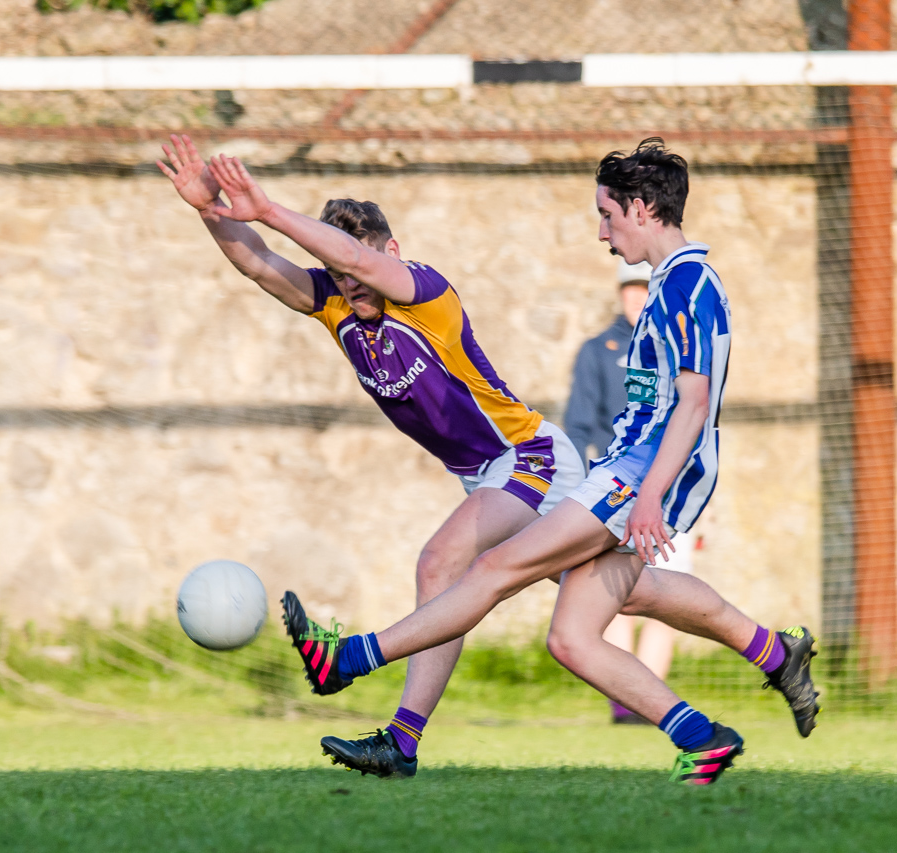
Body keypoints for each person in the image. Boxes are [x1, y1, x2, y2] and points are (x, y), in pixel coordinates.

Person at [283, 138, 820, 787]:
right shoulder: (668, 282)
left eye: (608, 214)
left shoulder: (688, 281)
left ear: (643, 208)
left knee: (493, 567)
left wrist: (648, 494)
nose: (602, 231)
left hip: (633, 476)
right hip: (626, 469)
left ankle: (349, 658)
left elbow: (694, 401)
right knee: (572, 635)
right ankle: (710, 726)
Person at [156, 134, 589, 779]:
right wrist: (211, 210)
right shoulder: (338, 306)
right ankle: (770, 651)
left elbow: (352, 256)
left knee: (441, 563)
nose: (350, 284)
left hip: (530, 455)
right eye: (339, 277)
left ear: (391, 253)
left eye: (358, 270)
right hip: (484, 474)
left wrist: (267, 206)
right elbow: (258, 264)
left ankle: (391, 725)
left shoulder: (427, 295)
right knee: (625, 593)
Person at [565, 259, 695, 725]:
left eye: (646, 288)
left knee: (670, 590)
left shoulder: (678, 354)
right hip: (614, 491)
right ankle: (626, 700)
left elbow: (695, 423)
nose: (638, 297)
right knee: (616, 589)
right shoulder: (598, 351)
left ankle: (650, 696)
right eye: (631, 289)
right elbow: (578, 427)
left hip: (670, 491)